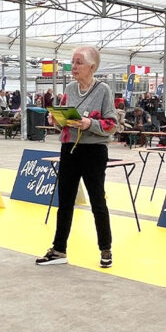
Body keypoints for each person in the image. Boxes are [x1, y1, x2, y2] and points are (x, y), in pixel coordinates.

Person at [36, 46, 117, 269]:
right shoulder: (70, 89)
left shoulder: (103, 91)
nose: (74, 67)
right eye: (73, 62)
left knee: (97, 201)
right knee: (65, 201)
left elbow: (111, 125)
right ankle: (59, 248)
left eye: (79, 62)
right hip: (69, 148)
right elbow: (64, 118)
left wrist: (91, 123)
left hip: (94, 151)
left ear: (92, 67)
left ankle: (106, 249)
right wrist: (57, 120)